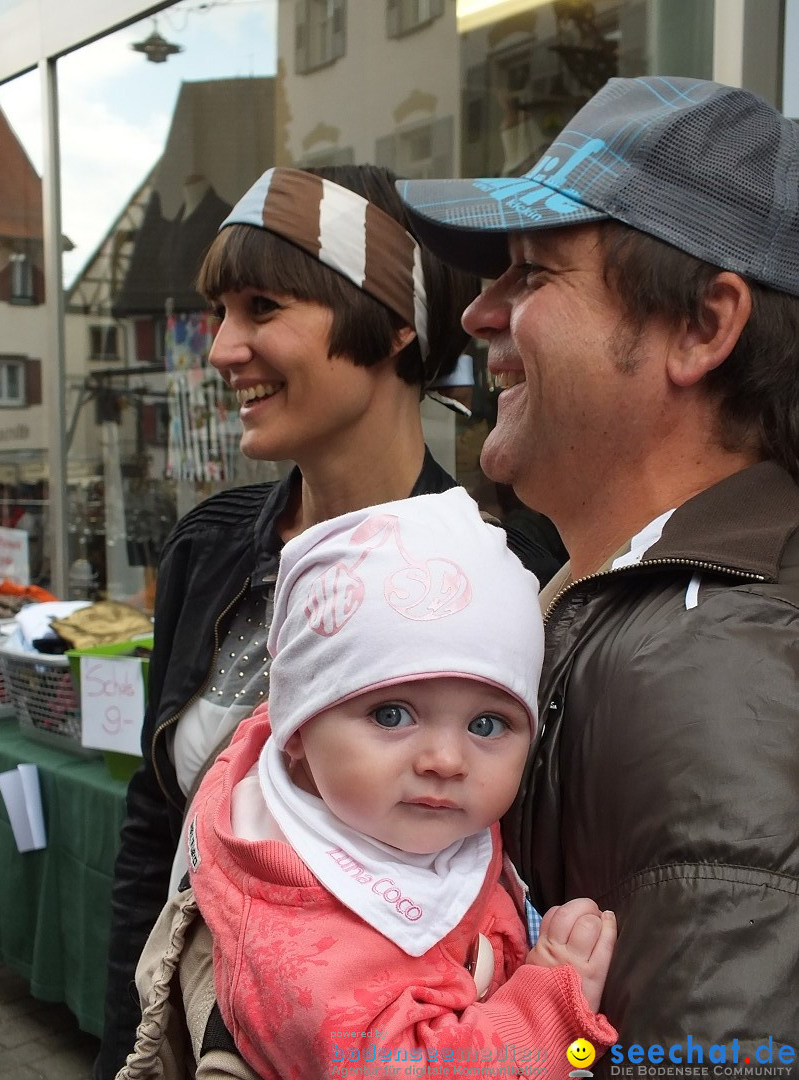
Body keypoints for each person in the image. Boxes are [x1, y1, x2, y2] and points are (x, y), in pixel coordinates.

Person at [95, 165, 564, 1080]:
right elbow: (156, 829)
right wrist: (132, 1048)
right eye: (221, 313)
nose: (224, 348)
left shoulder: (510, 575)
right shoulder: (211, 547)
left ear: (393, 324)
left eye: (262, 306)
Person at [397, 75, 799, 1069]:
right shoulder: (633, 609)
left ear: (704, 327)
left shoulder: (713, 670)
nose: (480, 313)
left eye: (532, 275)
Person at [116, 488, 617, 1080]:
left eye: (488, 723)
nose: (445, 759)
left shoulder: (377, 810)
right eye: (391, 714)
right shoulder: (299, 942)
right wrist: (552, 1008)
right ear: (297, 726)